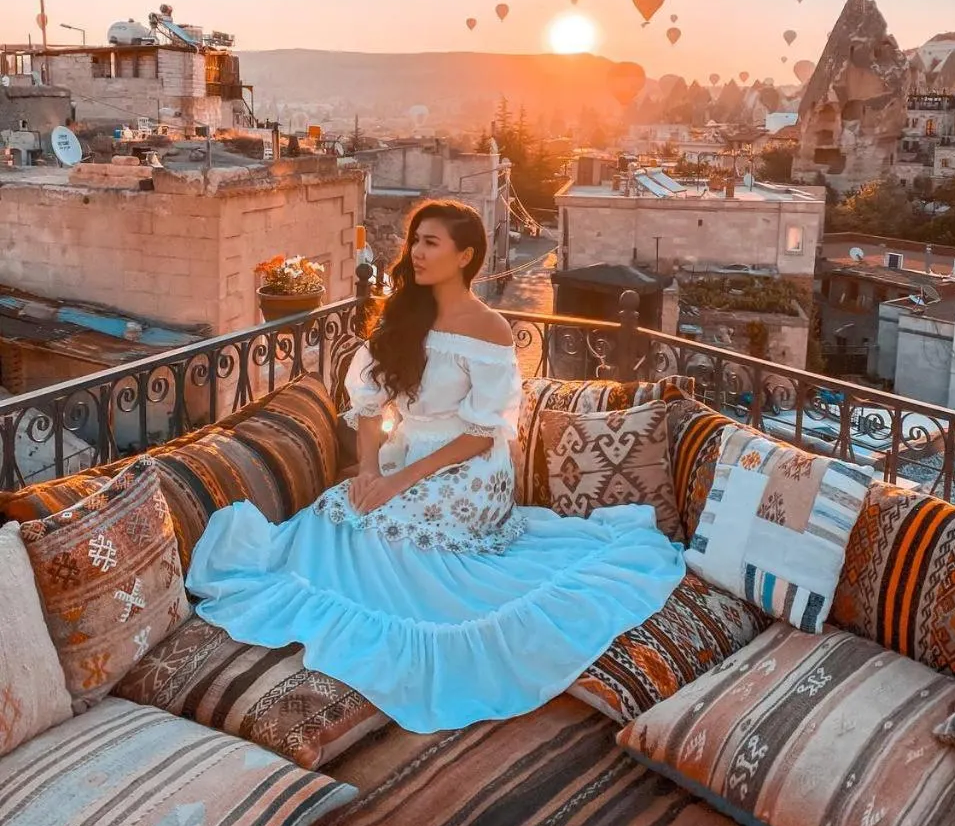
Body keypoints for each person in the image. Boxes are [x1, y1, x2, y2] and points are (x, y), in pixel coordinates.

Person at [186, 200, 685, 733]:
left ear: (465, 255)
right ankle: (353, 602)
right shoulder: (402, 314)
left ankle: (409, 628)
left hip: (469, 465)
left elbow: (479, 434)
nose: (417, 253)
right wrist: (370, 470)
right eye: (415, 240)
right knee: (338, 510)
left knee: (396, 531)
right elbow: (372, 408)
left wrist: (398, 483)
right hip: (407, 451)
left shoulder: (489, 329)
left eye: (431, 243)